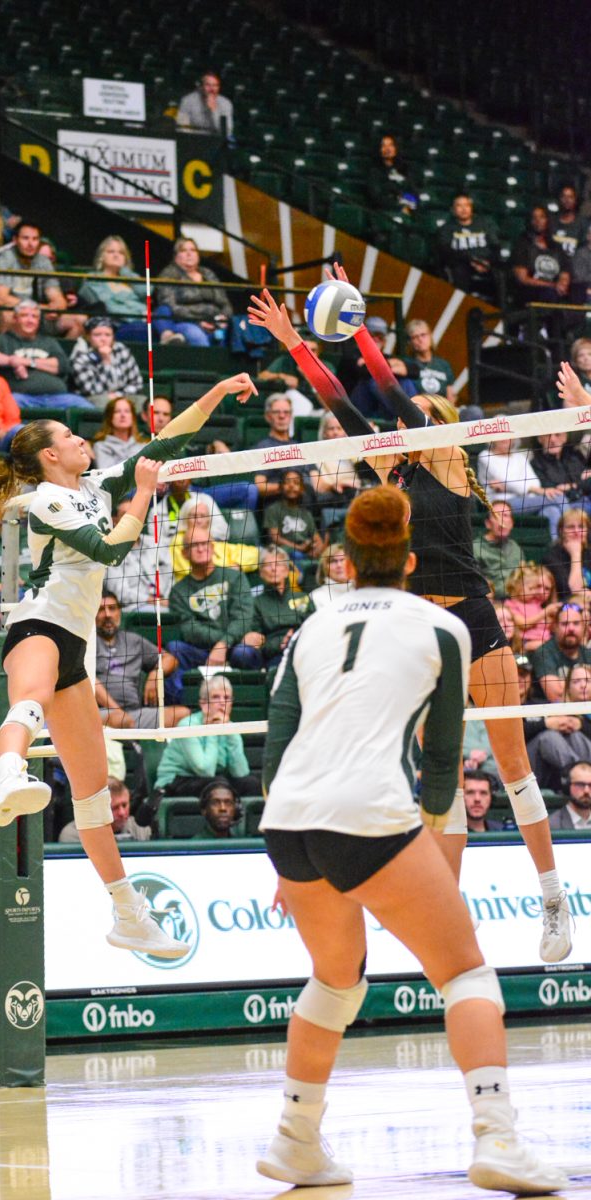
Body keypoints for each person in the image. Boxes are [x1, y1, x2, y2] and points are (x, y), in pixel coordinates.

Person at [249, 282, 572, 964]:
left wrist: (363, 333)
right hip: (422, 638)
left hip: (474, 620)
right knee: (440, 774)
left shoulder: (452, 460)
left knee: (513, 766)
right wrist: (294, 343)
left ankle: (552, 896)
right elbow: (339, 398)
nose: (406, 422)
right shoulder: (385, 468)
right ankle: (447, 917)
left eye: (421, 416)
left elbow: (391, 396)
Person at [256, 485, 566, 1194]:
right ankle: (498, 1138)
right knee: (466, 974)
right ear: (411, 558)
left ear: (348, 559)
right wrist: (426, 832)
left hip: (288, 821)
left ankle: (296, 1139)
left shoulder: (312, 626)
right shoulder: (442, 627)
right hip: (370, 815)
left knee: (336, 981)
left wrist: (283, 852)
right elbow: (443, 754)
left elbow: (277, 742)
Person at [0, 373, 257, 958]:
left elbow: (163, 443)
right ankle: (10, 776)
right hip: (37, 621)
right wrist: (143, 494)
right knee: (29, 698)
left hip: (76, 639)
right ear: (50, 453)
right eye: (71, 435)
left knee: (93, 795)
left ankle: (128, 914)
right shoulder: (41, 499)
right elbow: (111, 549)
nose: (82, 440)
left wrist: (217, 394)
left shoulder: (92, 486)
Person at [164, 525, 261, 703]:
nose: (201, 548)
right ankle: (185, 704)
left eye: (205, 543)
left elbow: (243, 617)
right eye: (194, 545)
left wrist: (224, 644)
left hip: (234, 647)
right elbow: (189, 629)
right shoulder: (178, 591)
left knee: (244, 653)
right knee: (175, 648)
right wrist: (221, 644)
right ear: (184, 553)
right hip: (203, 649)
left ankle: (249, 703)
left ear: (213, 546)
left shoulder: (235, 577)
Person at [95, 590, 188, 729]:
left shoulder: (133, 640)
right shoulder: (87, 643)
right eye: (101, 609)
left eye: (112, 608)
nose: (108, 614)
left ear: (119, 612)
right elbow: (89, 680)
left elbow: (171, 659)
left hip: (135, 714)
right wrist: (116, 711)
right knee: (119, 720)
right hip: (99, 714)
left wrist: (156, 673)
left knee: (182, 714)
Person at [155, 674, 258, 796]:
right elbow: (205, 770)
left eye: (226, 698)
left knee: (251, 783)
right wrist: (213, 730)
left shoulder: (230, 726)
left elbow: (241, 772)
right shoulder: (188, 725)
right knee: (219, 784)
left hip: (209, 780)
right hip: (175, 781)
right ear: (204, 704)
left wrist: (231, 733)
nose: (222, 703)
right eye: (216, 697)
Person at [78, 236, 189, 344]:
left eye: (121, 253)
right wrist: (142, 313)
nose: (116, 255)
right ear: (101, 256)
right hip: (121, 325)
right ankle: (168, 336)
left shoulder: (130, 277)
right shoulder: (94, 279)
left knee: (164, 310)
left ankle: (167, 336)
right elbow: (110, 308)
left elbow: (148, 292)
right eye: (111, 251)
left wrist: (126, 273)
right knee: (152, 329)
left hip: (147, 321)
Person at [0, 299, 90, 410]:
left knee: (87, 409)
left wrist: (27, 362)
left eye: (34, 317)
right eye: (24, 315)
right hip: (21, 398)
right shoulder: (2, 340)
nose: (30, 320)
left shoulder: (48, 342)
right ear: (15, 318)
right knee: (7, 404)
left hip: (57, 398)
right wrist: (11, 361)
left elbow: (62, 365)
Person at [0, 222, 70, 334]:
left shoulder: (44, 261)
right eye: (25, 238)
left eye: (35, 239)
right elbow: (1, 299)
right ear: (15, 240)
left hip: (37, 314)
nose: (31, 244)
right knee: (8, 315)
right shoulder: (5, 259)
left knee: (77, 320)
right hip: (3, 313)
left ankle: (55, 350)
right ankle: (7, 350)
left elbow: (58, 299)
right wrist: (40, 308)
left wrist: (56, 309)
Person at [475, 437, 564, 538]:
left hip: (527, 500)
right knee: (559, 498)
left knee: (552, 511)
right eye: (500, 435)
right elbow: (507, 480)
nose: (505, 439)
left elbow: (535, 482)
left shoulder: (519, 457)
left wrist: (508, 487)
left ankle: (558, 546)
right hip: (501, 504)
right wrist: (530, 489)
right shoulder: (485, 456)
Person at [155, 237, 232, 347]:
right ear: (176, 256)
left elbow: (225, 303)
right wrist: (198, 321)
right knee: (197, 336)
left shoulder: (208, 273)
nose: (189, 254)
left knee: (236, 332)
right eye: (183, 250)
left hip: (215, 321)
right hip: (185, 322)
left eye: (193, 250)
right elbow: (170, 306)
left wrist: (222, 319)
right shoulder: (168, 274)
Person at [527, 664, 591, 793]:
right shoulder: (552, 708)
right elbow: (522, 733)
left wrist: (581, 725)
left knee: (575, 735)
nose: (583, 685)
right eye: (576, 681)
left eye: (587, 680)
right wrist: (547, 723)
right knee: (549, 737)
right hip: (543, 771)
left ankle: (580, 778)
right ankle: (579, 777)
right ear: (568, 687)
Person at [250, 546, 310, 666]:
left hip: (305, 651)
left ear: (287, 571)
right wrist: (281, 643)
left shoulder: (303, 598)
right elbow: (257, 643)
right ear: (261, 573)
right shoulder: (255, 603)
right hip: (276, 657)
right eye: (268, 565)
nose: (273, 569)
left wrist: (294, 639)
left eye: (278, 564)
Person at [70, 316, 145, 409]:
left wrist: (118, 395)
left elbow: (137, 383)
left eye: (108, 335)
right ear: (88, 337)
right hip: (94, 399)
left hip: (123, 395)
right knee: (104, 402)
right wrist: (106, 361)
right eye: (97, 335)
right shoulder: (80, 357)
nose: (103, 339)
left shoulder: (121, 350)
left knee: (143, 402)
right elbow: (92, 390)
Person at [436, 193, 499, 300]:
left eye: (466, 205)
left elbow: (495, 247)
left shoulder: (484, 225)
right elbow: (445, 251)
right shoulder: (446, 229)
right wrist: (472, 262)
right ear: (453, 209)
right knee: (459, 272)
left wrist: (487, 262)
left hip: (485, 263)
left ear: (471, 208)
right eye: (459, 206)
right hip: (462, 264)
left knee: (500, 274)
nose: (463, 209)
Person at [511, 206, 571, 310]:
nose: (538, 221)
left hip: (554, 291)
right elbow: (522, 279)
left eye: (542, 217)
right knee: (550, 294)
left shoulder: (555, 246)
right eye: (535, 218)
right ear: (530, 221)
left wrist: (563, 282)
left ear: (547, 220)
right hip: (531, 292)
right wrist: (552, 285)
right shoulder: (522, 245)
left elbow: (565, 269)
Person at [59, 777, 151, 844]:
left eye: (124, 805)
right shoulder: (72, 836)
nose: (122, 813)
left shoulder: (140, 829)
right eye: (114, 808)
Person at [529, 603, 591, 702]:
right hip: (553, 713)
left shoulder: (588, 654)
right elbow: (555, 695)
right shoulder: (544, 653)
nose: (571, 628)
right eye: (565, 624)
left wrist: (565, 685)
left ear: (584, 627)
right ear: (555, 627)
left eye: (576, 623)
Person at [264, 469, 322, 563]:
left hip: (305, 552)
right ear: (280, 487)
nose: (291, 485)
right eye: (287, 482)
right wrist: (299, 548)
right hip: (283, 552)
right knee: (296, 555)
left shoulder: (306, 514)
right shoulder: (273, 509)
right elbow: (276, 538)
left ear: (302, 489)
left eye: (296, 483)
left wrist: (316, 550)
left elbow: (317, 539)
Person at [472, 501, 524, 598]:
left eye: (505, 515)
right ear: (488, 523)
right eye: (497, 516)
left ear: (512, 523)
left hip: (516, 602)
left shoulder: (516, 547)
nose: (501, 521)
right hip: (489, 602)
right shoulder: (475, 548)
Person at [504, 562, 556, 652]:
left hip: (544, 639)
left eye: (547, 588)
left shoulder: (534, 603)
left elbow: (544, 624)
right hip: (525, 641)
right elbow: (524, 624)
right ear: (518, 587)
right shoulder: (510, 605)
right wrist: (546, 612)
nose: (535, 592)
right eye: (531, 588)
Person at [542, 508, 591, 602]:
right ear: (561, 531)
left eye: (581, 527)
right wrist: (576, 554)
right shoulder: (551, 557)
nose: (577, 531)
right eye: (571, 527)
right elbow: (573, 591)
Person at [404, 319, 456, 402]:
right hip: (418, 409)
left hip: (441, 408)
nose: (420, 340)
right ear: (410, 342)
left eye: (423, 335)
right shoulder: (407, 363)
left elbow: (451, 396)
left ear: (430, 336)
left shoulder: (443, 365)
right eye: (415, 337)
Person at [367, 133, 418, 216]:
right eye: (384, 146)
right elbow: (376, 196)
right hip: (386, 212)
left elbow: (414, 192)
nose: (387, 149)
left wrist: (409, 205)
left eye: (391, 145)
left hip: (408, 211)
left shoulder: (405, 169)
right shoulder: (374, 171)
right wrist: (398, 207)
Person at [91, 396, 148, 470]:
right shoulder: (101, 446)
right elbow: (108, 475)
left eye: (127, 411)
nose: (123, 415)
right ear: (110, 417)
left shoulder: (143, 445)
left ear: (133, 417)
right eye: (117, 411)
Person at [176, 72, 233, 137]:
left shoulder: (225, 103)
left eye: (215, 85)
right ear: (201, 87)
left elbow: (227, 132)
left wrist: (214, 111)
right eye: (208, 85)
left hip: (216, 141)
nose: (212, 89)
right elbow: (182, 127)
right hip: (193, 139)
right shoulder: (187, 101)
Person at [548, 758, 591, 831]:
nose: (586, 790)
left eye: (590, 785)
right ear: (567, 787)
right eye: (580, 784)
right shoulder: (551, 825)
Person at [549, 184, 588, 261]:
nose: (567, 200)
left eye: (570, 197)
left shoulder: (583, 224)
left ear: (575, 200)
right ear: (559, 199)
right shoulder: (551, 222)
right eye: (564, 196)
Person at [310, 542, 354, 608]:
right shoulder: (315, 597)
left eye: (343, 560)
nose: (339, 565)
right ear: (325, 567)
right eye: (333, 561)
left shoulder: (364, 592)